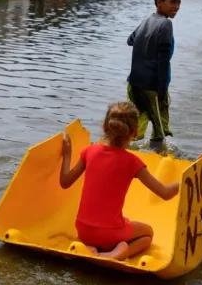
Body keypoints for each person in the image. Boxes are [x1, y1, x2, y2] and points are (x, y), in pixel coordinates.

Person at [60, 102, 180, 260]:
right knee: (148, 234)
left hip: (83, 231)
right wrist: (188, 177)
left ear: (105, 127)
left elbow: (65, 182)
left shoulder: (89, 151)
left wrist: (67, 155)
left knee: (125, 221)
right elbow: (165, 193)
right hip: (110, 234)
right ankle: (119, 253)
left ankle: (92, 247)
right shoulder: (133, 162)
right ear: (135, 132)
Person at [126, 0, 182, 148]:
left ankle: (128, 152)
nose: (177, 7)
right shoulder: (166, 24)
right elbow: (163, 61)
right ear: (159, 2)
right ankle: (155, 157)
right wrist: (162, 90)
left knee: (137, 121)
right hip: (153, 86)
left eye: (179, 3)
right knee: (159, 126)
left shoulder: (147, 20)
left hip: (134, 83)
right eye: (172, 2)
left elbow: (130, 40)